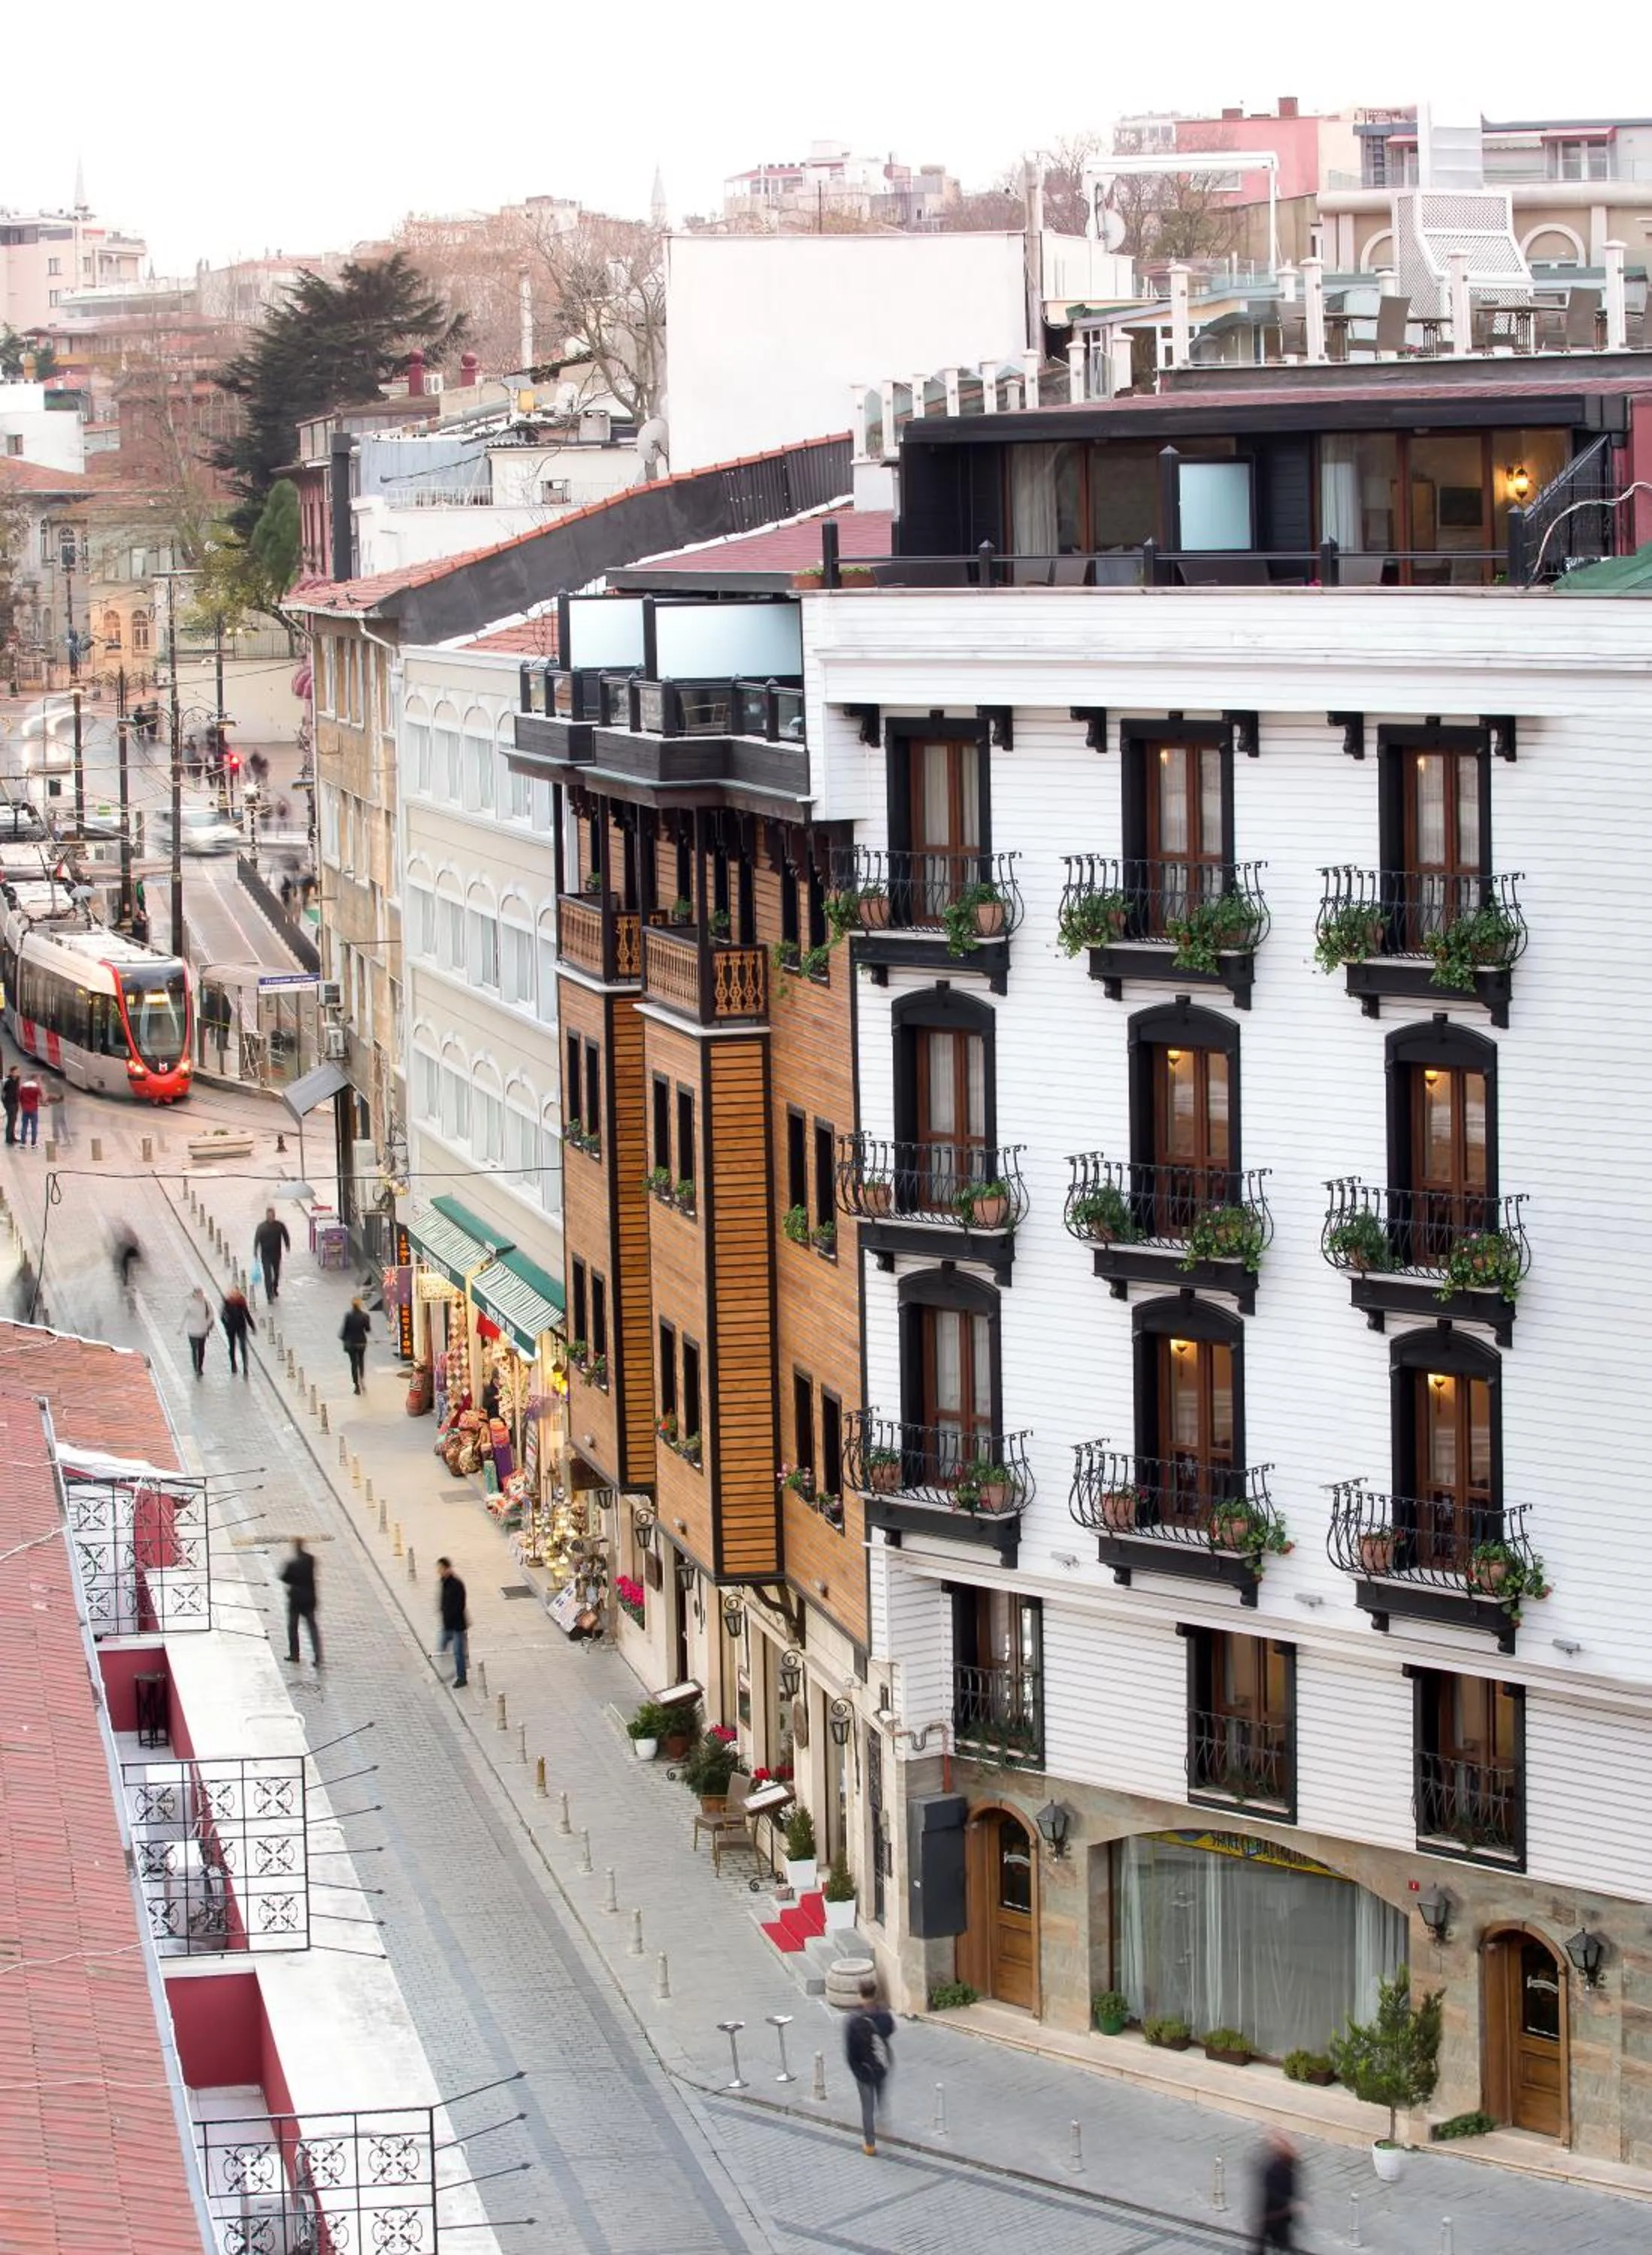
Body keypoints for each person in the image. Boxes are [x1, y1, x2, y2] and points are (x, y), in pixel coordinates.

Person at [844, 1975, 895, 2156]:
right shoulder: (884, 2015)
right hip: (881, 2066)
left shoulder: (854, 2021)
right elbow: (890, 2031)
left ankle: (870, 2145)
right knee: (881, 2098)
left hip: (864, 2069)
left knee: (867, 2108)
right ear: (875, 1993)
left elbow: (850, 2052)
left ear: (860, 1994)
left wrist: (857, 2071)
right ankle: (882, 2121)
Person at [1253, 2129, 1300, 2252]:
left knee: (1281, 2244)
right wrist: (1291, 2204)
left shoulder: (1289, 2165)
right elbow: (1272, 2193)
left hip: (1280, 2216)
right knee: (1267, 2245)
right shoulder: (1273, 2168)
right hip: (1272, 2215)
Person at [278, 1535, 322, 1666]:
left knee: (293, 1627)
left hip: (295, 1600)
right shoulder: (311, 1560)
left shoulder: (292, 1564)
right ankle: (317, 1655)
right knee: (312, 1628)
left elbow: (284, 1577)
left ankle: (295, 1654)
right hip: (309, 1599)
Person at [436, 1557, 469, 1688]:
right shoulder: (444, 1582)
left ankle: (462, 1677)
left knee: (458, 1651)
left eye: (441, 1568)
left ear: (447, 1569)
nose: (439, 1571)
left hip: (457, 1625)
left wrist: (450, 1616)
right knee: (442, 1648)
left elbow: (460, 1605)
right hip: (447, 1624)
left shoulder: (457, 1584)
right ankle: (445, 1672)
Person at [253, 1206, 291, 1300]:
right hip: (265, 1255)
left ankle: (275, 1288)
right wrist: (255, 1250)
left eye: (271, 1216)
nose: (270, 1217)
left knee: (276, 1273)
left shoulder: (279, 1225)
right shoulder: (261, 1227)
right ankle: (269, 1295)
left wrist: (287, 1245)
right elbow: (257, 1238)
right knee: (268, 1275)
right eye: (268, 1216)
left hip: (276, 1254)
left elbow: (285, 1235)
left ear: (274, 1216)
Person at [180, 1287, 213, 1376]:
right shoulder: (190, 1303)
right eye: (199, 1294)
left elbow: (211, 1314)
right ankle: (196, 1367)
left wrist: (207, 1323)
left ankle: (200, 1367)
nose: (201, 1295)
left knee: (201, 1350)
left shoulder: (206, 1302)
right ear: (195, 1294)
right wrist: (181, 1328)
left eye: (201, 1293)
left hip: (202, 1331)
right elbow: (184, 1315)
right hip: (192, 1331)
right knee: (194, 1349)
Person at [340, 1297, 371, 1394]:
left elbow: (344, 1330)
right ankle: (361, 1379)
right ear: (360, 1305)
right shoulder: (365, 1316)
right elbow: (368, 1329)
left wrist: (344, 1339)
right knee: (361, 1362)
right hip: (361, 1343)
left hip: (352, 1343)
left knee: (353, 1363)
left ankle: (356, 1386)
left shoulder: (348, 1316)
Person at [220, 1285, 252, 1376]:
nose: (235, 1295)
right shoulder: (227, 1302)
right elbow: (222, 1316)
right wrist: (226, 1325)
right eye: (233, 1293)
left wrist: (252, 1326)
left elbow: (247, 1314)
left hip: (241, 1326)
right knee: (232, 1346)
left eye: (237, 1293)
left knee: (243, 1347)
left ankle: (245, 1367)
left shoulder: (242, 1301)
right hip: (231, 1327)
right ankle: (233, 1364)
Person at [112, 1225, 142, 1305]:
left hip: (124, 1267)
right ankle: (127, 1299)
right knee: (127, 1285)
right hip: (125, 1267)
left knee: (126, 1285)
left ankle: (126, 1299)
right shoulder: (126, 1247)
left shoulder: (125, 1247)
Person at [16, 1071, 41, 1148]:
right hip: (33, 1109)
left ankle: (23, 1143)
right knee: (34, 1126)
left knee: (24, 1126)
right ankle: (33, 1143)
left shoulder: (23, 1087)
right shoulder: (36, 1087)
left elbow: (19, 1098)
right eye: (38, 1079)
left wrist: (21, 1107)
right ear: (35, 1078)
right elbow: (41, 1097)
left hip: (25, 1109)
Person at [1, 1067, 17, 1146]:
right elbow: (3, 1093)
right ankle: (8, 1139)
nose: (17, 1073)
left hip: (15, 1103)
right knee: (10, 1121)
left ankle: (13, 1137)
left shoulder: (16, 1080)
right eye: (16, 1072)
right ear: (11, 1072)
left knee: (14, 1120)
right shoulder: (8, 1081)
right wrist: (5, 1103)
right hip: (10, 1104)